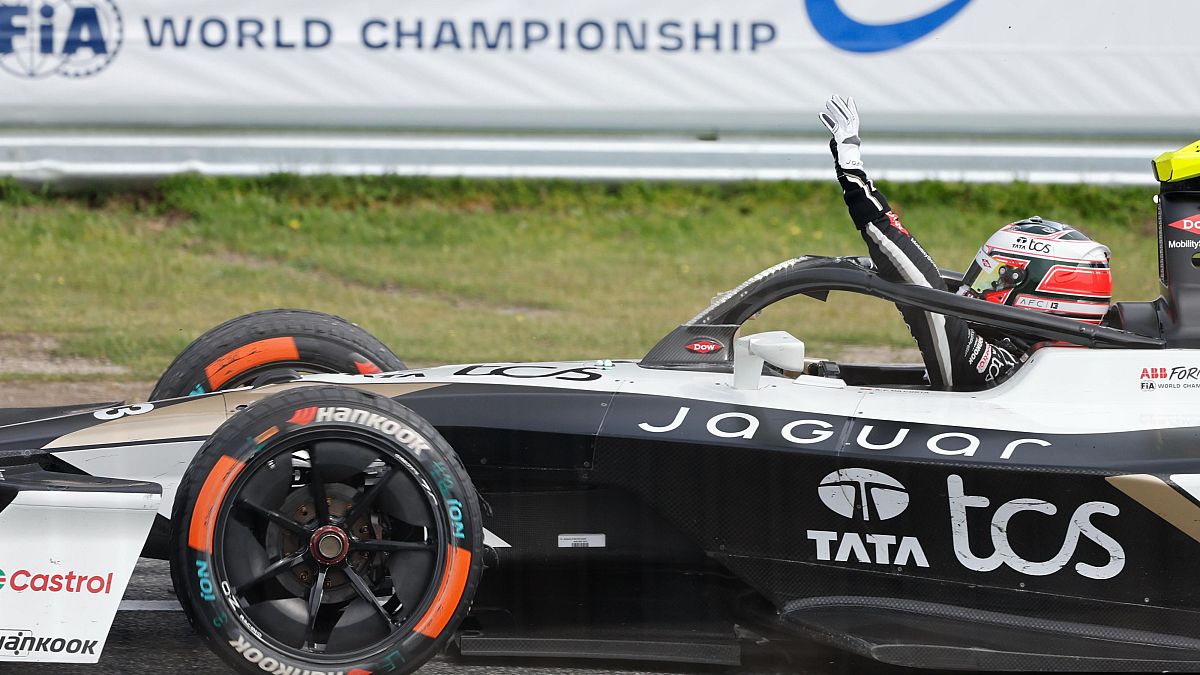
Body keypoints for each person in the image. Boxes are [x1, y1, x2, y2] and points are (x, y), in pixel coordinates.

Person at [818, 95, 1112, 391]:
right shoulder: (1042, 371)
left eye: (992, 278)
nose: (970, 289)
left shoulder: (1001, 372)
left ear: (1037, 296)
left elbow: (922, 288)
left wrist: (855, 180)